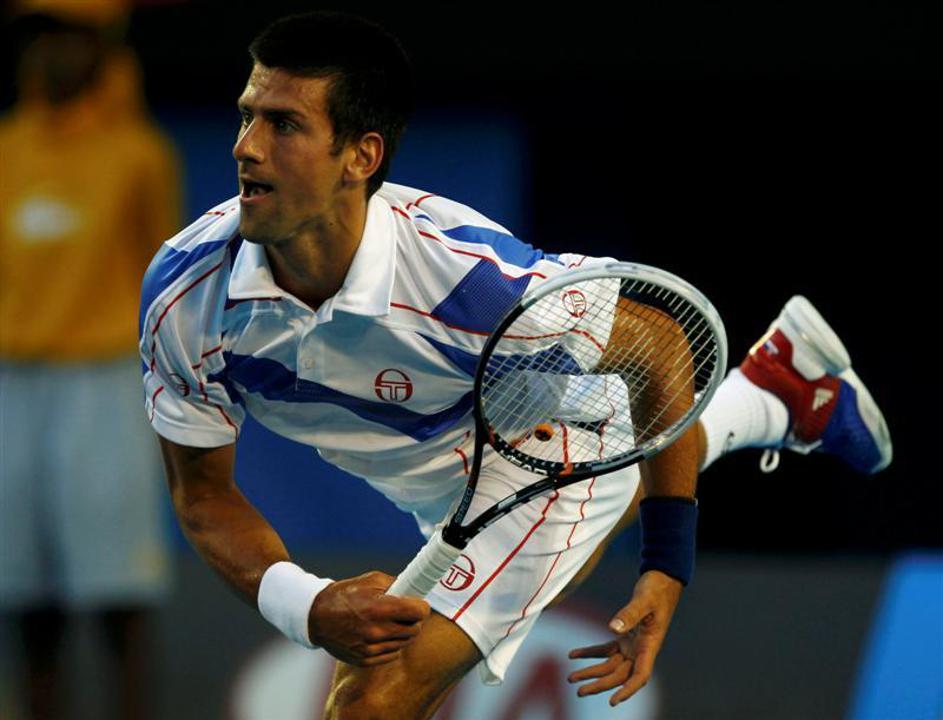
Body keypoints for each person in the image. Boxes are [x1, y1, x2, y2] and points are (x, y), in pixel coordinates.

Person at [139, 11, 891, 718]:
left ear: (360, 157)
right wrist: (306, 604)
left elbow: (661, 345)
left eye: (284, 125)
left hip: (546, 443)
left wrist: (665, 568)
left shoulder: (466, 280)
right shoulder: (187, 296)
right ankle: (773, 393)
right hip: (439, 481)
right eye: (246, 116)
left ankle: (766, 398)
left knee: (371, 702)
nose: (246, 147)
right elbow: (202, 495)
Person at [0, 2, 178, 719]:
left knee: (117, 590)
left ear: (104, 50)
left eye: (72, 39)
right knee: (25, 594)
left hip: (104, 381)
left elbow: (164, 274)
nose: (55, 55)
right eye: (41, 37)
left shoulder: (138, 154)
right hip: (12, 381)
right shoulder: (6, 148)